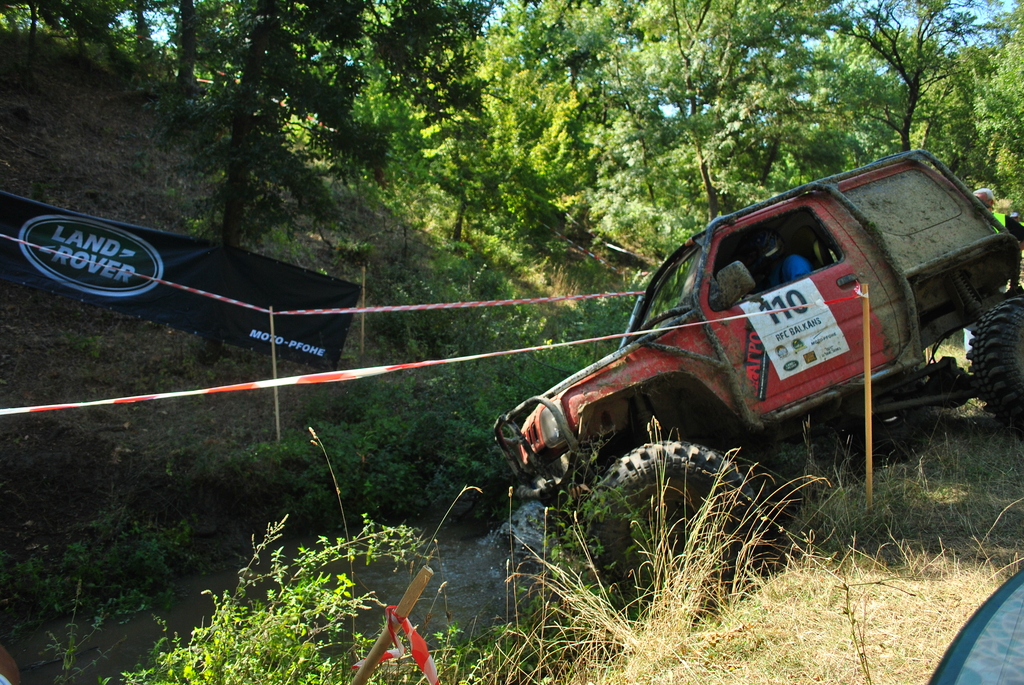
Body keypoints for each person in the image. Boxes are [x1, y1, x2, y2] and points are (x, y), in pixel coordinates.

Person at [736, 229, 813, 291]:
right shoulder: (765, 283)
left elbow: (807, 292)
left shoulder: (793, 263)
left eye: (751, 256)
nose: (748, 262)